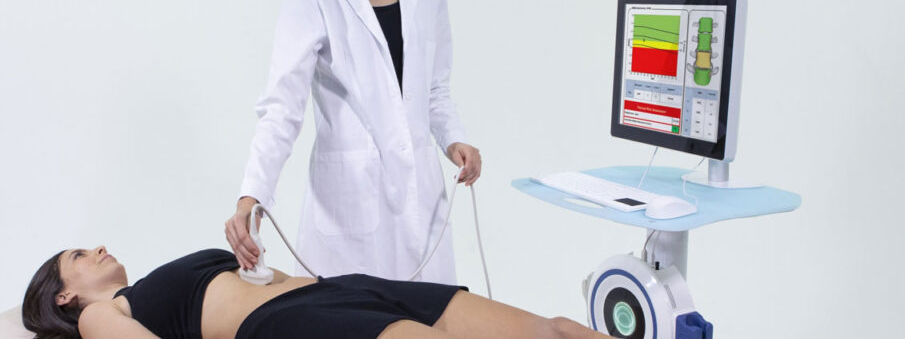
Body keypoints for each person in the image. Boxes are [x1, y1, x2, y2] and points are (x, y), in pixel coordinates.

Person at [225, 0, 481, 284]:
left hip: (422, 199)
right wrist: (252, 198)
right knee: (353, 314)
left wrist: (454, 139)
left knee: (433, 314)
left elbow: (434, 89)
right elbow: (282, 110)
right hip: (349, 206)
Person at [22, 245, 609, 339]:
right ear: (63, 297)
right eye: (79, 256)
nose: (98, 248)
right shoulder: (100, 316)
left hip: (342, 289)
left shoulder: (151, 285)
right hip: (289, 322)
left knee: (550, 330)